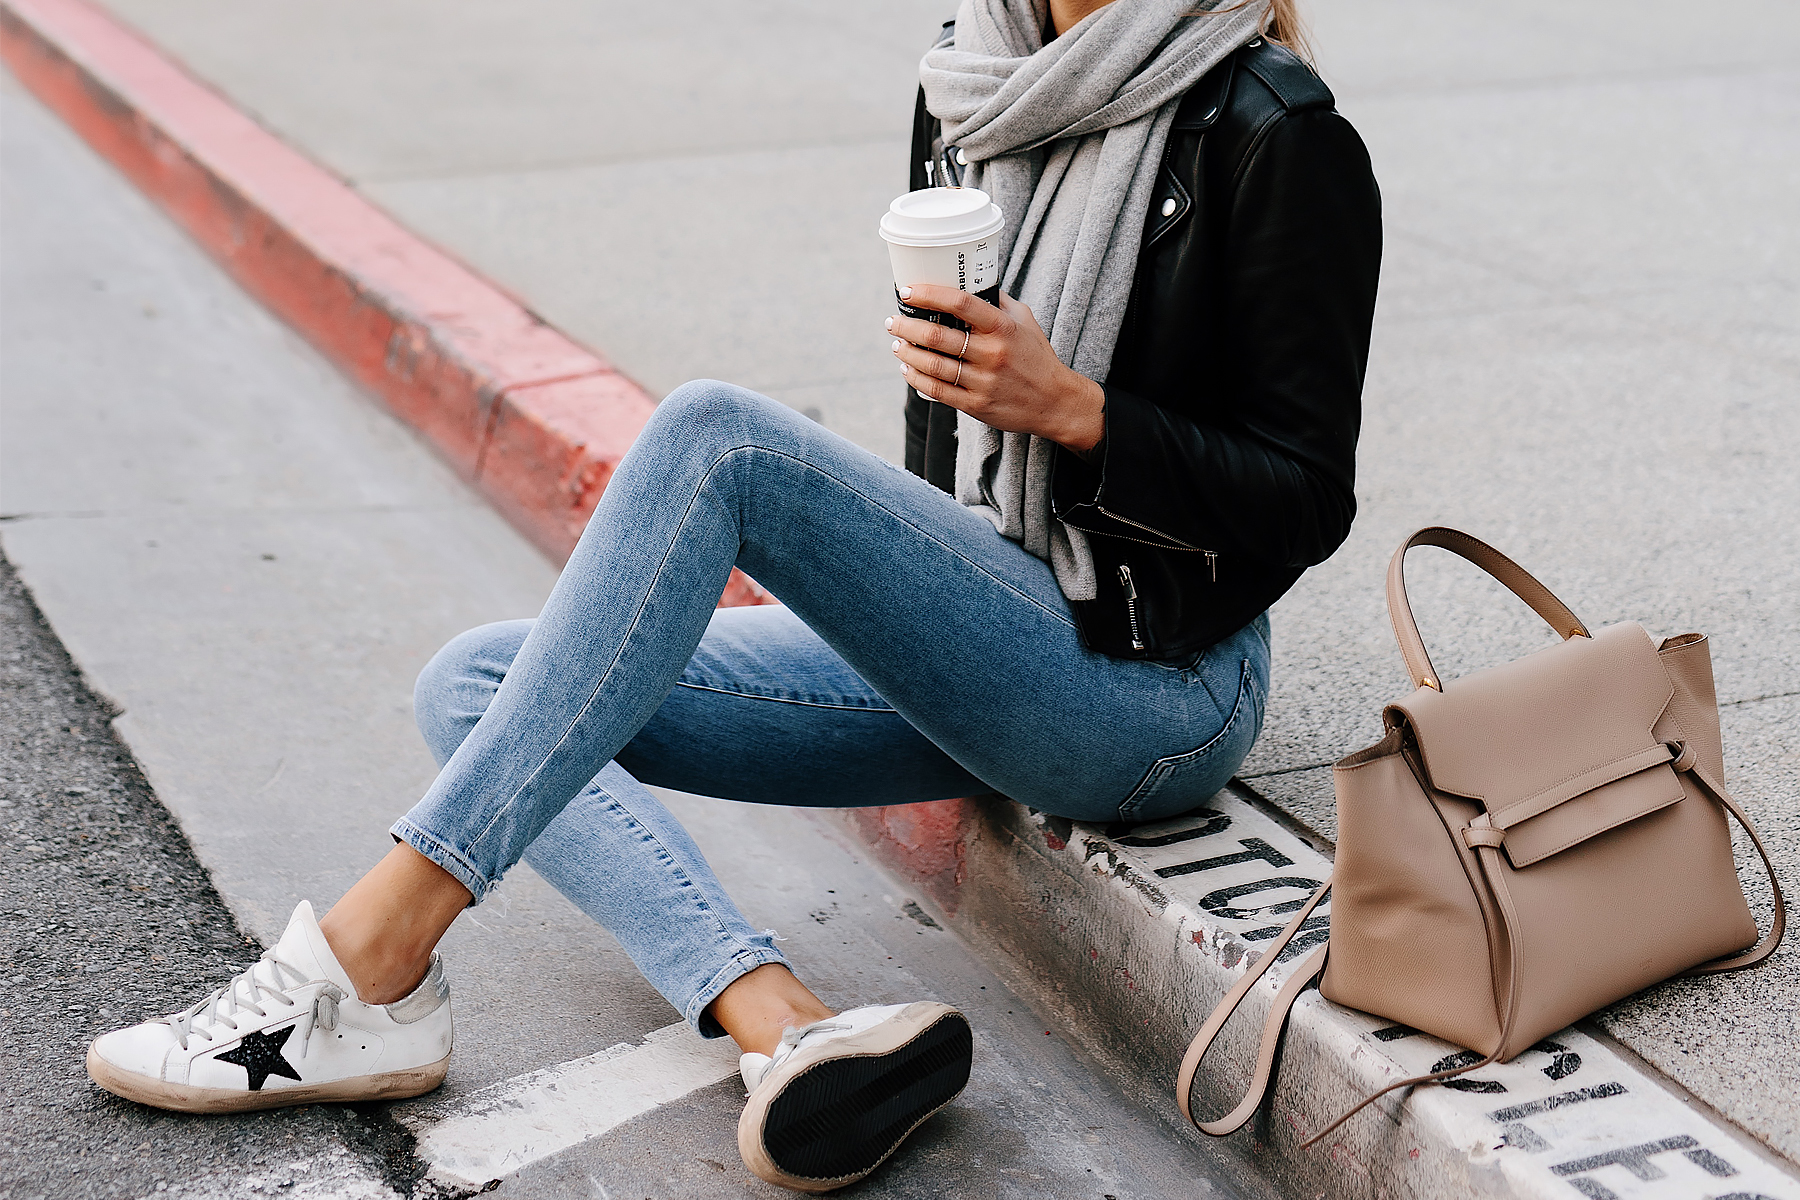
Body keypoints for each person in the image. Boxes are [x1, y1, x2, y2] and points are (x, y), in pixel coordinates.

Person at [87, 0, 1379, 1191]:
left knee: (721, 438)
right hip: (991, 625)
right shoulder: (978, 77)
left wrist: (1081, 415)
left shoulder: (1274, 127)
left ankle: (373, 958)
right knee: (477, 685)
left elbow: (1304, 498)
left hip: (1153, 686)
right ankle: (791, 1028)